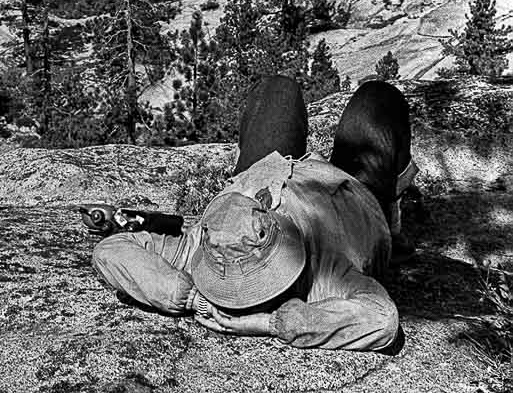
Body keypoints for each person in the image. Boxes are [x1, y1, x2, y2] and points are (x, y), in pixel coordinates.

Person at [91, 76, 418, 352]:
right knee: (375, 100)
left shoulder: (206, 245)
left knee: (278, 89)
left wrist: (197, 300)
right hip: (348, 195)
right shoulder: (324, 275)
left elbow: (111, 250)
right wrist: (267, 321)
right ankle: (388, 217)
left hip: (272, 177)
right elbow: (381, 320)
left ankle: (391, 214)